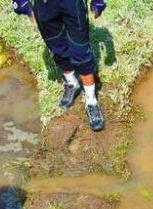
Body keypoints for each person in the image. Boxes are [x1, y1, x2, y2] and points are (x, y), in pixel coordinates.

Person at [13, 0, 106, 131]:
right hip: (44, 6)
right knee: (58, 47)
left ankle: (91, 101)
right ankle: (72, 84)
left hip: (72, 4)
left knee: (81, 51)